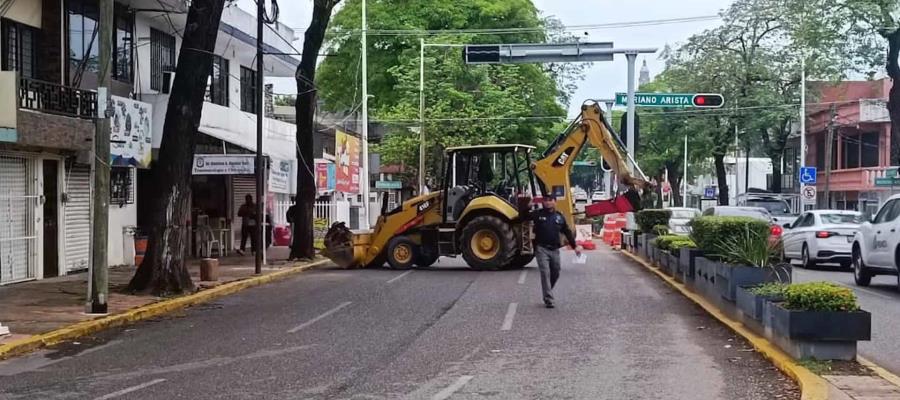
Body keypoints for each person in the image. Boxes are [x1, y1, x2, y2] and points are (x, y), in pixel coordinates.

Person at [529, 195, 581, 308]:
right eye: (545, 201)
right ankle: (548, 298)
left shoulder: (559, 217)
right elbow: (522, 217)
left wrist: (575, 246)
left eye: (550, 200)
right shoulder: (537, 214)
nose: (547, 203)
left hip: (554, 249)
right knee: (545, 272)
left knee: (556, 272)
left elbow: (567, 232)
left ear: (555, 202)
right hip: (541, 248)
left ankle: (548, 290)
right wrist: (526, 207)